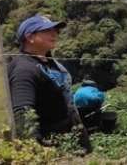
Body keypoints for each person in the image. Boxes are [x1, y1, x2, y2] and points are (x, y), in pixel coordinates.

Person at [8, 14, 91, 152]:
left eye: (55, 30)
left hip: (71, 141)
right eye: (46, 31)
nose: (54, 34)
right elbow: (23, 113)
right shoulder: (24, 69)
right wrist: (38, 150)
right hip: (54, 147)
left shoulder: (49, 62)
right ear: (30, 37)